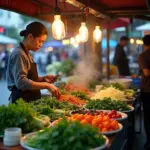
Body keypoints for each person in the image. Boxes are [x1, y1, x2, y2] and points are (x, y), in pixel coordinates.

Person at [6, 22, 61, 103]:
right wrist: (46, 85)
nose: (41, 45)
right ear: (30, 37)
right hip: (21, 101)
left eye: (43, 42)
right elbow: (21, 82)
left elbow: (29, 78)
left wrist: (43, 79)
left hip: (30, 99)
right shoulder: (19, 54)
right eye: (40, 41)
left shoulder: (28, 53)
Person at [139, 35, 150, 150]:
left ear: (144, 44)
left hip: (147, 91)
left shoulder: (143, 56)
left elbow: (146, 73)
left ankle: (149, 142)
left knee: (148, 117)